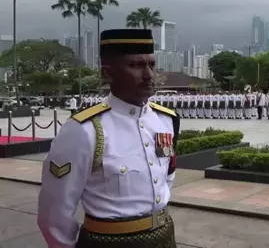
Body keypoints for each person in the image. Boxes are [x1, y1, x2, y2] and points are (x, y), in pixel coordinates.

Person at [37, 29, 180, 248]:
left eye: (151, 65)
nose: (149, 75)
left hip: (164, 238)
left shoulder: (165, 120)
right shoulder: (85, 130)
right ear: (107, 73)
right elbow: (54, 212)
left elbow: (167, 175)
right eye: (135, 66)